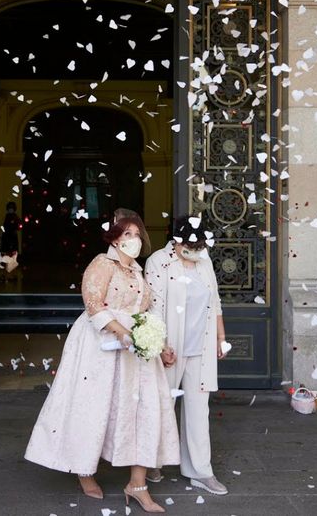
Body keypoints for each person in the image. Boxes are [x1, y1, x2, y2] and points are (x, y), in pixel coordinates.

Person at [25, 215, 180, 513]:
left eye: (138, 233)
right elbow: (93, 304)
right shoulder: (101, 264)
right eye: (127, 233)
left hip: (136, 352)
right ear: (115, 237)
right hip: (100, 347)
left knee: (143, 410)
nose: (133, 238)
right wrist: (125, 334)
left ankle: (138, 484)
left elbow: (145, 313)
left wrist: (159, 347)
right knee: (93, 407)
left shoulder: (138, 271)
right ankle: (84, 469)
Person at [144, 214, 228, 496]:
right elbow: (154, 305)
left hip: (200, 347)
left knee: (198, 409)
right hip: (171, 347)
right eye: (190, 246)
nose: (195, 251)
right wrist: (161, 345)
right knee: (162, 404)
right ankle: (152, 462)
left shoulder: (204, 261)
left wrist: (220, 337)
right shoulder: (158, 261)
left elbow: (214, 300)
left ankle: (201, 471)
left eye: (200, 246)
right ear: (176, 242)